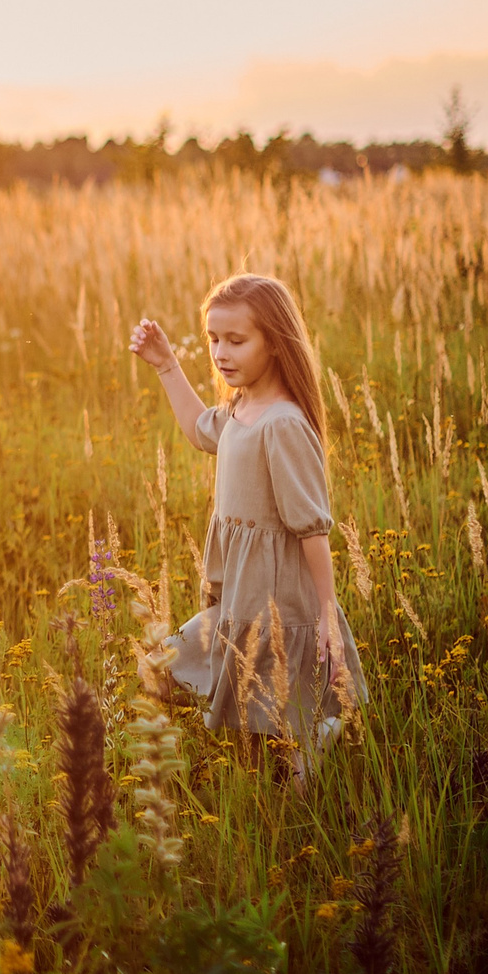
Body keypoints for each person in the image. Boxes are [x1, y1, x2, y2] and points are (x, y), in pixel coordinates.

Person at [126, 273, 365, 782]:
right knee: (168, 670)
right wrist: (167, 364)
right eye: (214, 339)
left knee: (278, 721)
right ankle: (293, 752)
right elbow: (196, 429)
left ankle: (313, 748)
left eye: (236, 340)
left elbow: (312, 529)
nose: (220, 352)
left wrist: (326, 614)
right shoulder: (241, 408)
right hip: (238, 595)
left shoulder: (283, 424)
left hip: (280, 598)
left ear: (275, 343)